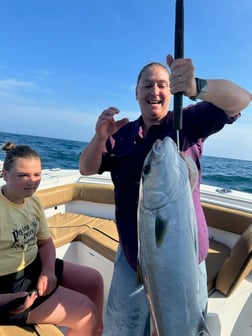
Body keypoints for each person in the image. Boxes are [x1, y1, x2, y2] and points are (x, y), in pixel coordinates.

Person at [79, 54, 252, 336]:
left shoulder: (187, 123)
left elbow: (242, 99)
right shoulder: (120, 135)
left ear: (171, 89)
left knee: (184, 328)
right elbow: (86, 168)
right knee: (122, 331)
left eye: (162, 84)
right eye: (147, 85)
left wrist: (197, 86)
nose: (154, 91)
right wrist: (99, 139)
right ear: (136, 92)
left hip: (183, 258)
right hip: (132, 260)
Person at [0, 142, 104, 336]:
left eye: (37, 174)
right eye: (23, 175)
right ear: (5, 175)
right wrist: (8, 300)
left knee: (93, 280)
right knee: (85, 312)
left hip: (33, 268)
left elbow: (45, 242)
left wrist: (48, 271)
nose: (32, 181)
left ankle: (94, 332)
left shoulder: (33, 201)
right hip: (8, 288)